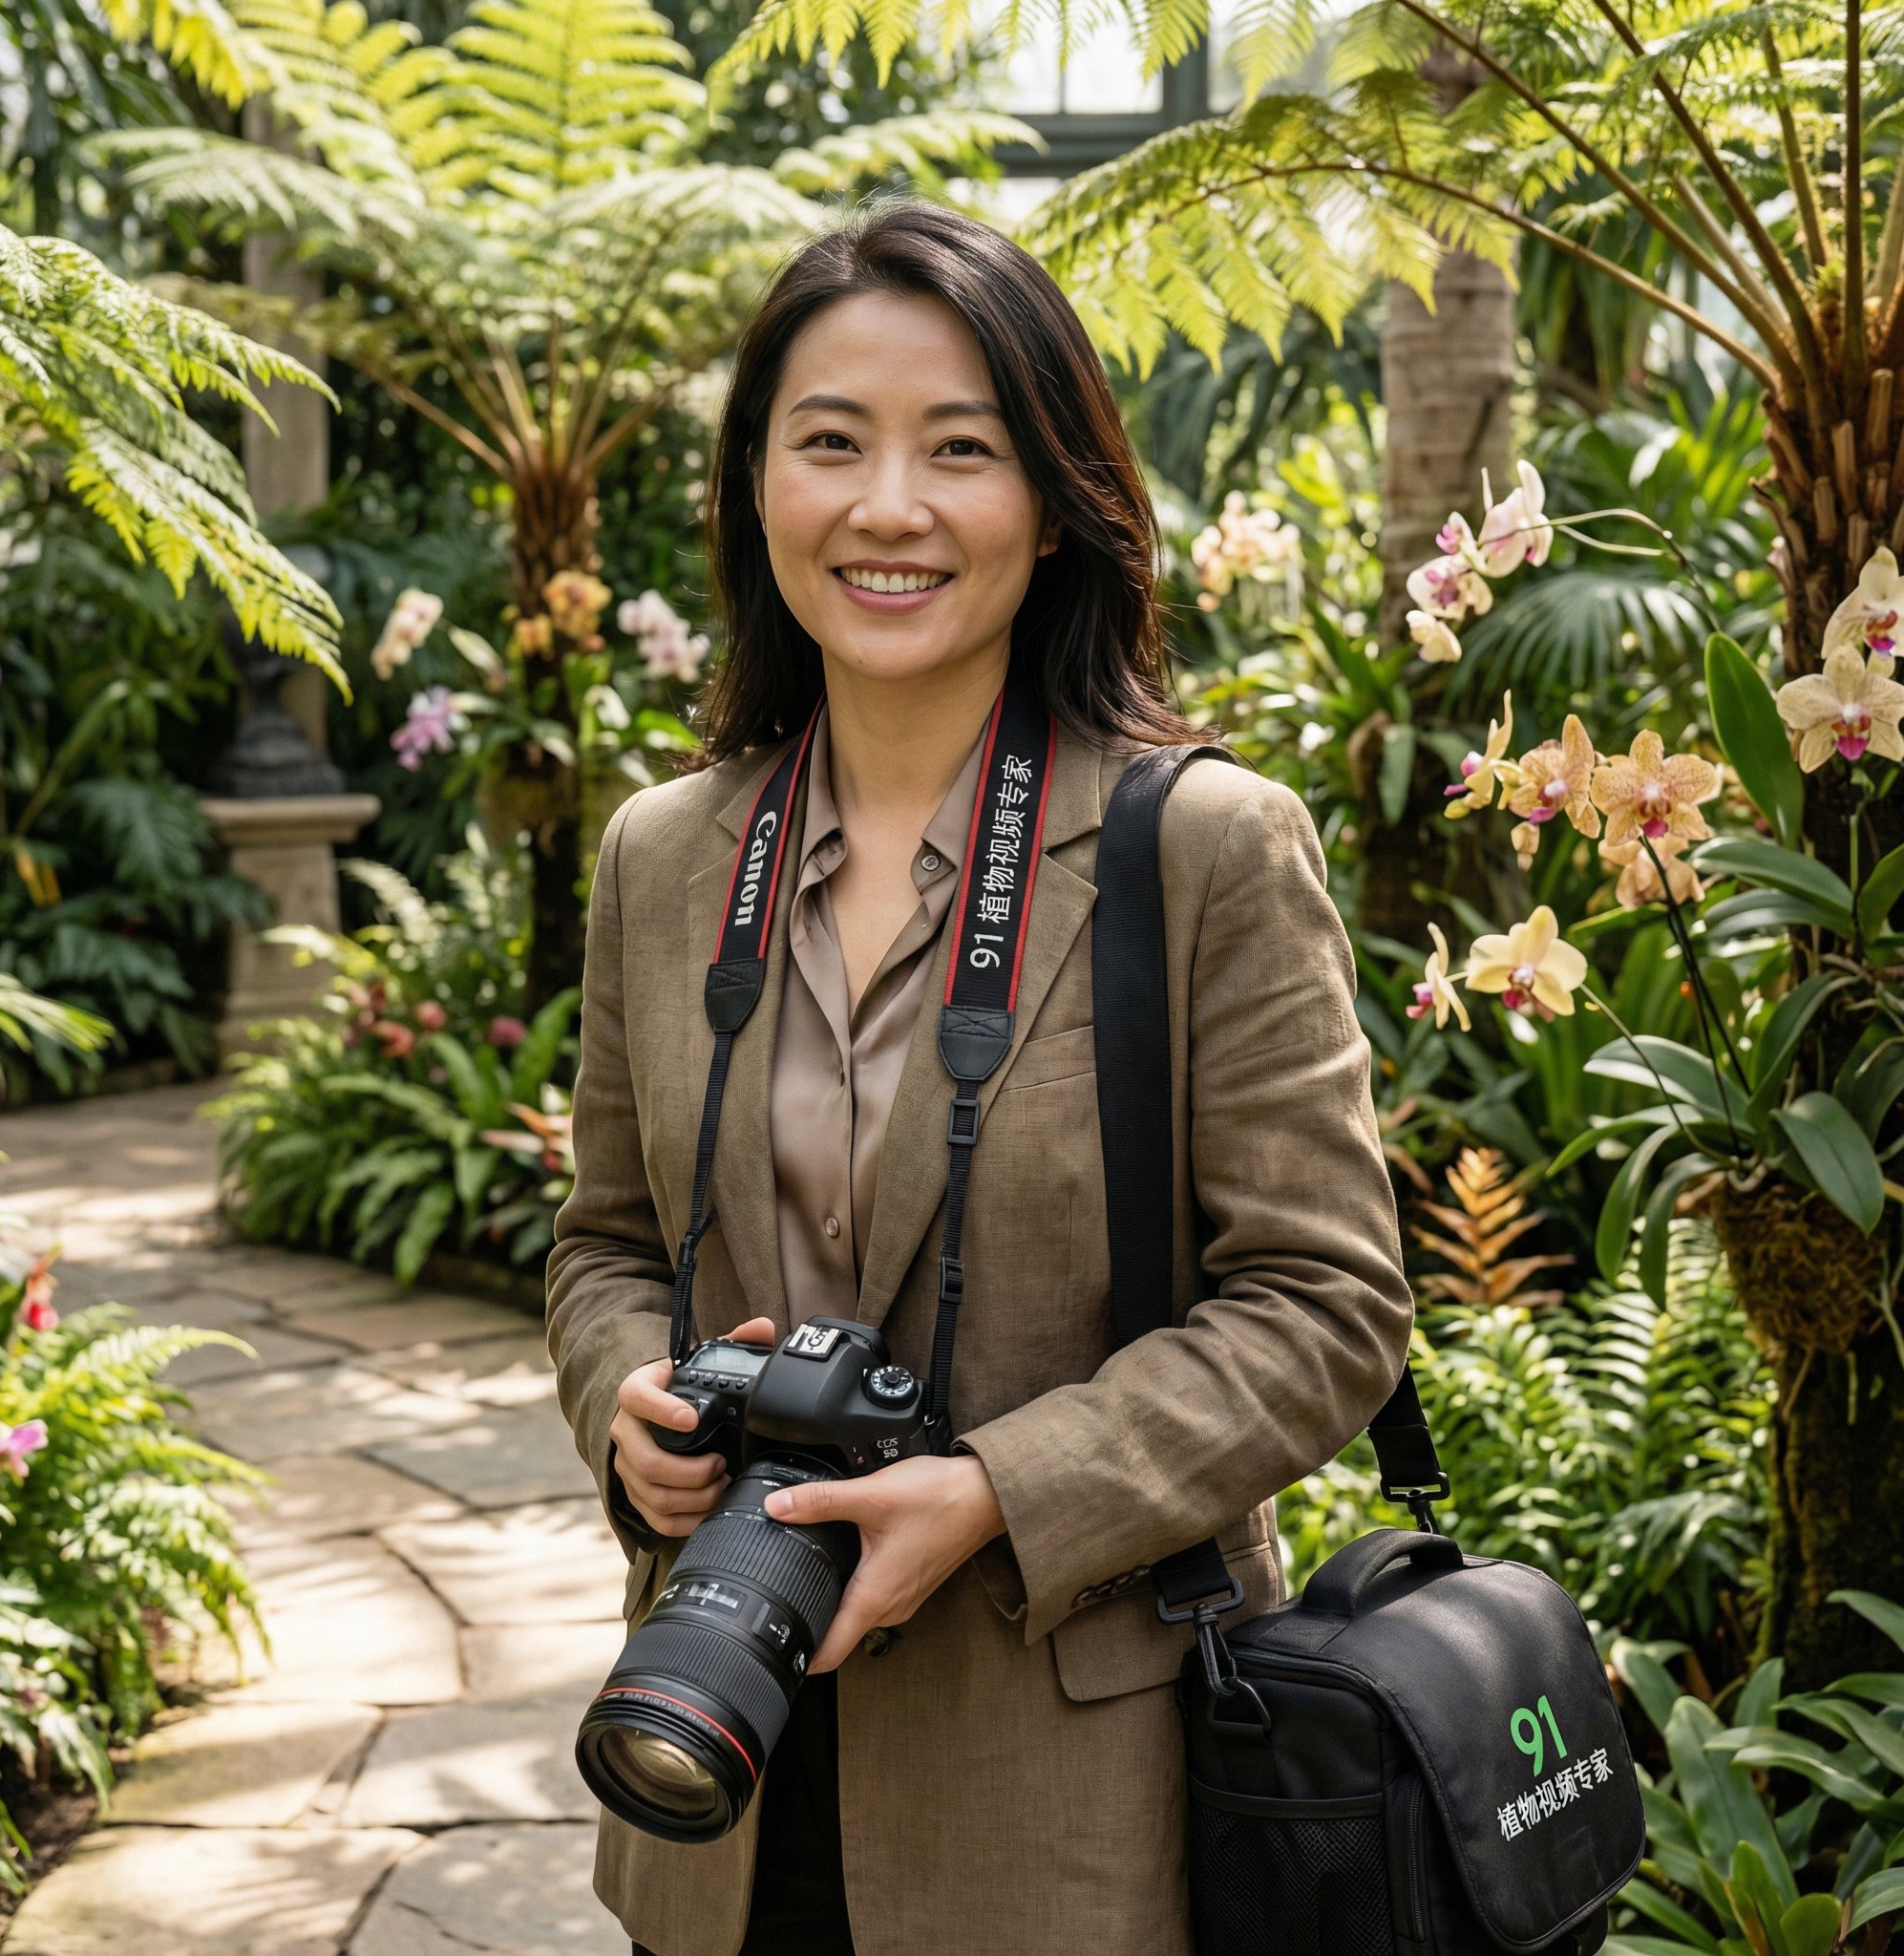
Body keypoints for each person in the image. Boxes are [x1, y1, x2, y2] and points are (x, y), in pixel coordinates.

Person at [544, 198, 1414, 1956]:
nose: (890, 507)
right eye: (830, 444)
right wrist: (626, 1402)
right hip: (715, 1763)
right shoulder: (664, 854)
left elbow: (1326, 1305)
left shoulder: (1204, 849)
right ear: (756, 487)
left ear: (1057, 499)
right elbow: (606, 1241)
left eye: (961, 448)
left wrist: (1001, 1493)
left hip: (1071, 1816)